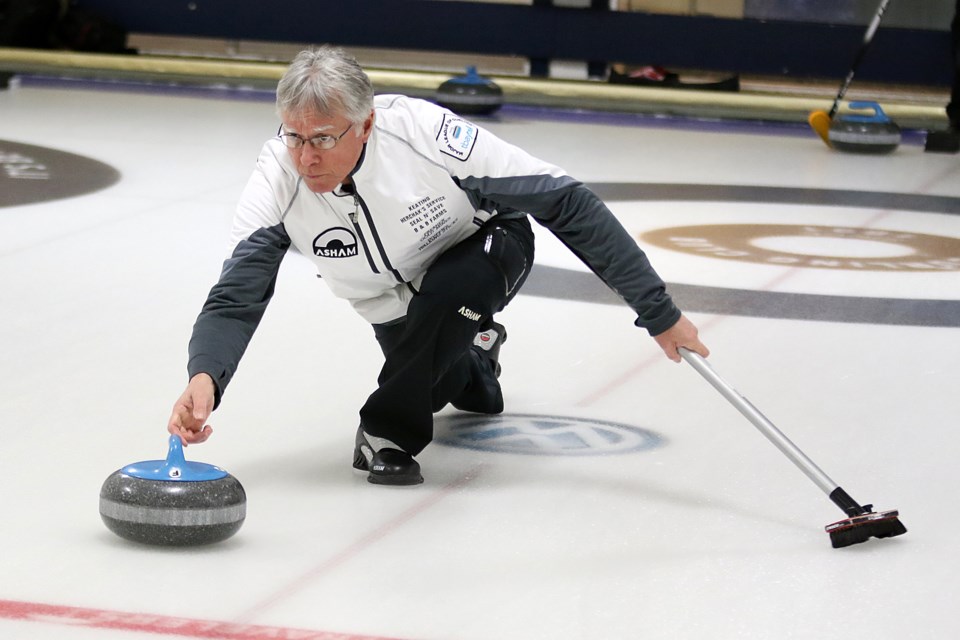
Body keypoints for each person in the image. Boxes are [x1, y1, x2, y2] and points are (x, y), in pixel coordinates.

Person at [166, 46, 709, 486]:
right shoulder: (277, 179)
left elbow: (564, 200)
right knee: (458, 389)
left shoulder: (425, 134)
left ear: (367, 124)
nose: (307, 157)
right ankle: (479, 355)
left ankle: (386, 434)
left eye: (325, 138)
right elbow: (238, 293)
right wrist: (206, 375)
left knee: (454, 297)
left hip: (487, 245)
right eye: (295, 137)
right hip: (393, 304)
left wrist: (656, 310)